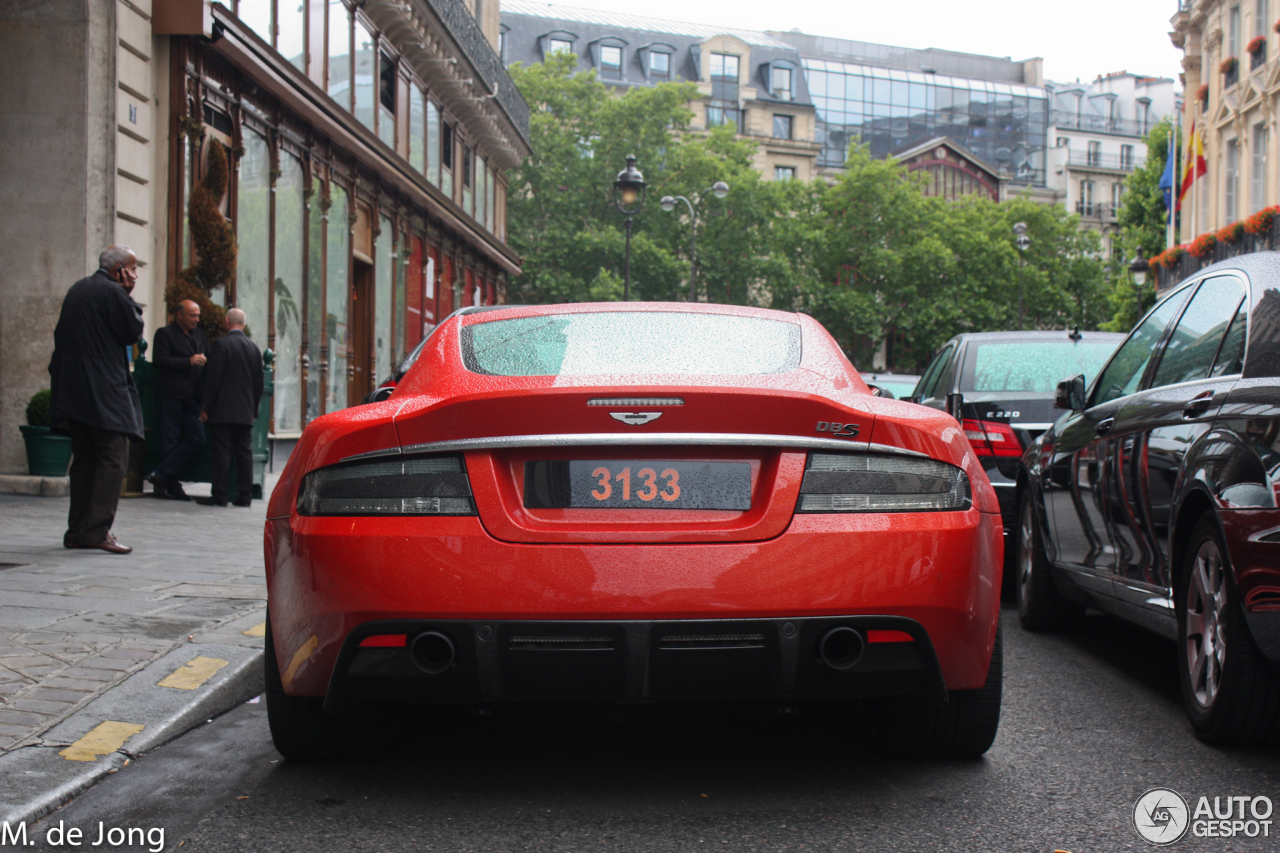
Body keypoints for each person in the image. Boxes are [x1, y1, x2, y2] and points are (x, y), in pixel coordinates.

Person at [49, 245, 145, 554]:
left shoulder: (78, 289)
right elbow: (132, 330)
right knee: (112, 456)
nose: (134, 275)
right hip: (103, 391)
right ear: (118, 269)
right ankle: (96, 530)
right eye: (131, 269)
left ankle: (77, 530)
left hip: (74, 390)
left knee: (86, 458)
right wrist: (127, 293)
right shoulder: (113, 293)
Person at [197, 308, 263, 507]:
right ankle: (245, 496)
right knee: (244, 453)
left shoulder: (221, 344)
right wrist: (254, 410)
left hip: (222, 410)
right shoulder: (254, 348)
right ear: (243, 324)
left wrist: (205, 405)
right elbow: (259, 383)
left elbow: (213, 378)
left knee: (222, 453)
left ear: (227, 321)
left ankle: (220, 494)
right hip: (244, 411)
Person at [146, 299, 208, 500]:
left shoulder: (199, 334)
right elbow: (160, 361)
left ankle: (161, 475)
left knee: (198, 439)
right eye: (192, 315)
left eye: (198, 315)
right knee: (169, 440)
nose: (196, 319)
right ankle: (170, 485)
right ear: (179, 315)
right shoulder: (165, 334)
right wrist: (188, 362)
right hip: (171, 395)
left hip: (193, 398)